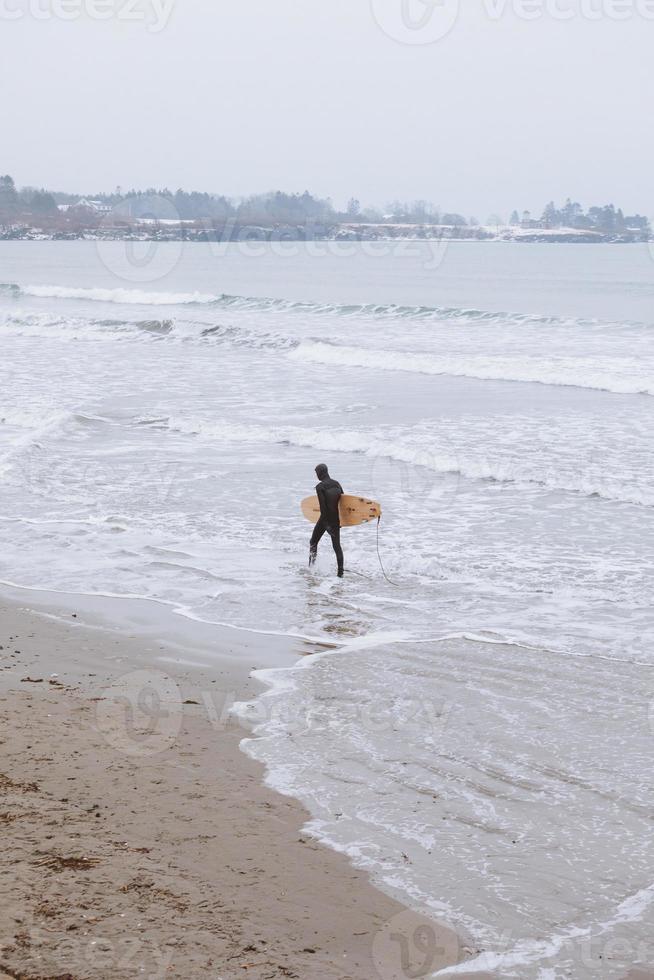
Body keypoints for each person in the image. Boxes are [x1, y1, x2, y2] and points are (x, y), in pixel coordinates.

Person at [309, 463, 344, 577]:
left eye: (316, 473)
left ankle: (311, 568)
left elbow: (323, 509)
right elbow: (343, 502)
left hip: (325, 519)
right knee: (337, 547)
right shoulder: (337, 484)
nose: (316, 475)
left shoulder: (320, 487)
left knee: (313, 542)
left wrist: (326, 525)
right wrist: (342, 521)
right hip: (336, 520)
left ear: (320, 473)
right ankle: (340, 574)